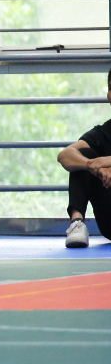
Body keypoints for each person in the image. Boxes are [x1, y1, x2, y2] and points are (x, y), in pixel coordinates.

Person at [56, 68, 111, 248]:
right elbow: (65, 155)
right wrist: (91, 166)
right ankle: (77, 224)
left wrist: (108, 161)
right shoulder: (104, 132)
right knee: (81, 158)